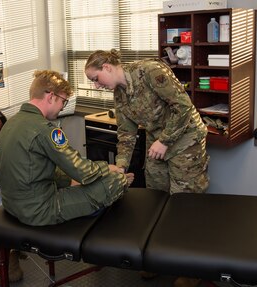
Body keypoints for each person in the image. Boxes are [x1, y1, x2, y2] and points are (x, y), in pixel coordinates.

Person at [0, 70, 133, 286]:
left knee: (73, 176)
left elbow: (36, 169)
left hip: (12, 204)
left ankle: (12, 264)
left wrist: (72, 179)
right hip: (39, 210)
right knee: (113, 181)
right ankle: (123, 182)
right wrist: (108, 169)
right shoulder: (46, 129)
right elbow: (82, 170)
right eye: (63, 101)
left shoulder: (12, 124)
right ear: (50, 95)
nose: (63, 106)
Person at [85, 49, 209, 287]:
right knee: (156, 200)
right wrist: (120, 167)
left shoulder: (150, 72)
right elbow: (126, 134)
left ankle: (192, 268)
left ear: (107, 68)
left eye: (96, 79)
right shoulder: (120, 95)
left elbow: (182, 106)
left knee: (186, 202)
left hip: (185, 139)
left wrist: (165, 140)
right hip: (158, 141)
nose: (97, 86)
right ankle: (160, 260)